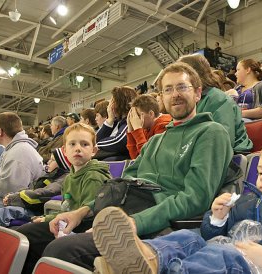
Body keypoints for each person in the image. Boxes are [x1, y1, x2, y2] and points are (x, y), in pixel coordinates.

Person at [36, 62, 233, 272]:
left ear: (197, 93)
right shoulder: (157, 141)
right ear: (162, 98)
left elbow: (196, 198)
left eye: (182, 87)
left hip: (153, 223)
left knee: (60, 250)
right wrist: (81, 212)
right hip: (121, 214)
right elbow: (123, 184)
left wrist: (134, 223)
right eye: (168, 89)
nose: (175, 94)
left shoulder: (212, 133)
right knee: (36, 234)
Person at [92, 141, 262, 274]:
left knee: (223, 254)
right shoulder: (246, 199)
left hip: (258, 267)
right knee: (189, 238)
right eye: (260, 172)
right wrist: (217, 218)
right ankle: (145, 258)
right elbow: (213, 236)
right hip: (224, 257)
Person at [16, 123, 111, 274]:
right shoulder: (69, 177)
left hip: (83, 227)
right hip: (68, 223)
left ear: (94, 151)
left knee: (27, 236)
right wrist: (47, 217)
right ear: (65, 151)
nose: (78, 148)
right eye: (72, 144)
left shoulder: (94, 176)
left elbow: (88, 213)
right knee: (23, 232)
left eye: (84, 144)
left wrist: (50, 220)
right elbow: (66, 208)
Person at [178, 54, 252, 153]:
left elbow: (222, 143)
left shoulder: (219, 100)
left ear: (194, 75)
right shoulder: (189, 101)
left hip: (230, 157)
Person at [0, 148, 71, 226]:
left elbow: (44, 194)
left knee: (4, 212)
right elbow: (32, 188)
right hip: (28, 206)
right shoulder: (51, 174)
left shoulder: (63, 180)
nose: (48, 162)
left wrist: (13, 198)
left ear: (62, 163)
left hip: (38, 211)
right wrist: (13, 194)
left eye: (52, 160)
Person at [0, 112, 45, 214]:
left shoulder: (17, 154)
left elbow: (7, 191)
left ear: (0, 132)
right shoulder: (17, 148)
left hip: (23, 206)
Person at [95, 86, 137, 160]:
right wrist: (110, 120)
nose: (110, 105)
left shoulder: (131, 117)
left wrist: (96, 145)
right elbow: (96, 139)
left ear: (119, 103)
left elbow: (119, 142)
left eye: (112, 101)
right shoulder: (118, 120)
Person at [126, 94, 171, 159]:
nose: (135, 120)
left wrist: (138, 130)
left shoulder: (164, 126)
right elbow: (135, 158)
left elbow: (148, 159)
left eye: (138, 115)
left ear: (151, 114)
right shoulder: (147, 126)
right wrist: (130, 129)